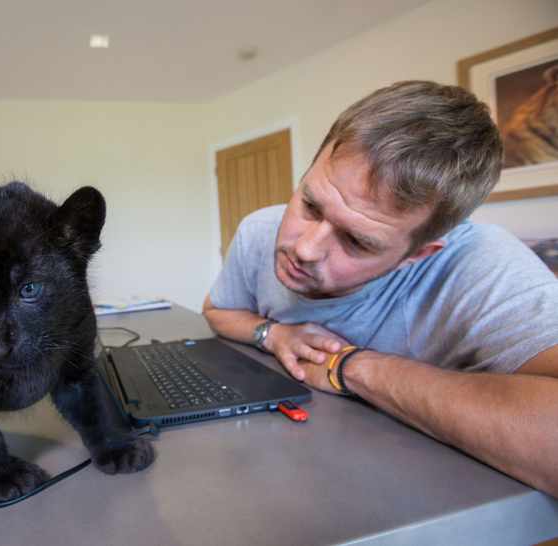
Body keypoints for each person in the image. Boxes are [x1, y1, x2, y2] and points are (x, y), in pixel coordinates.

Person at [203, 80, 558, 498]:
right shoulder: (258, 230)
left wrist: (353, 367)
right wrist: (274, 334)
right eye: (310, 205)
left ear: (419, 254)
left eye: (357, 241)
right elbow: (217, 310)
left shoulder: (482, 262)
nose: (303, 248)